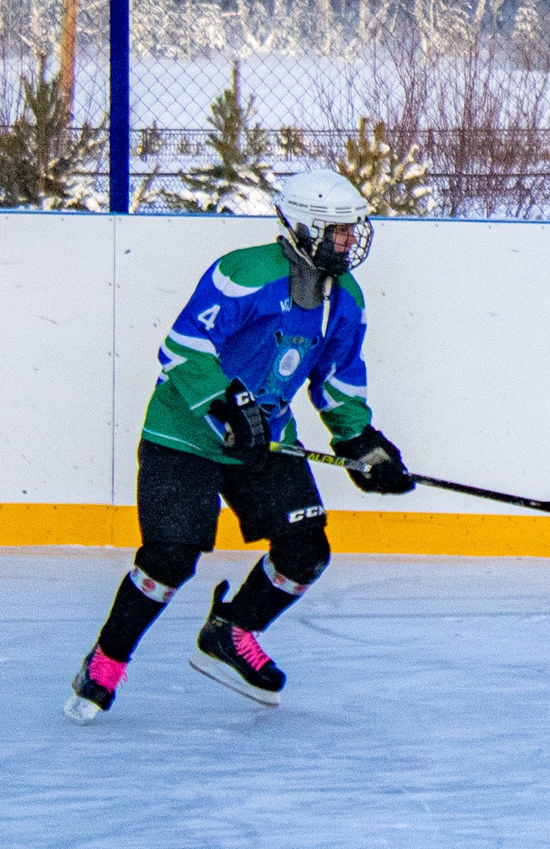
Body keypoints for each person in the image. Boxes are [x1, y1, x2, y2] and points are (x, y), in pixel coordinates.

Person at [67, 169, 414, 721]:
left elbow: (337, 378)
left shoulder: (346, 298)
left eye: (353, 229)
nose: (351, 239)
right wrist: (224, 403)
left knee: (306, 551)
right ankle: (107, 658)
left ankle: (232, 631)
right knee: (170, 559)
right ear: (305, 227)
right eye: (341, 229)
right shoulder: (243, 273)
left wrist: (361, 442)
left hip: (266, 443)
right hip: (184, 435)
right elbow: (182, 347)